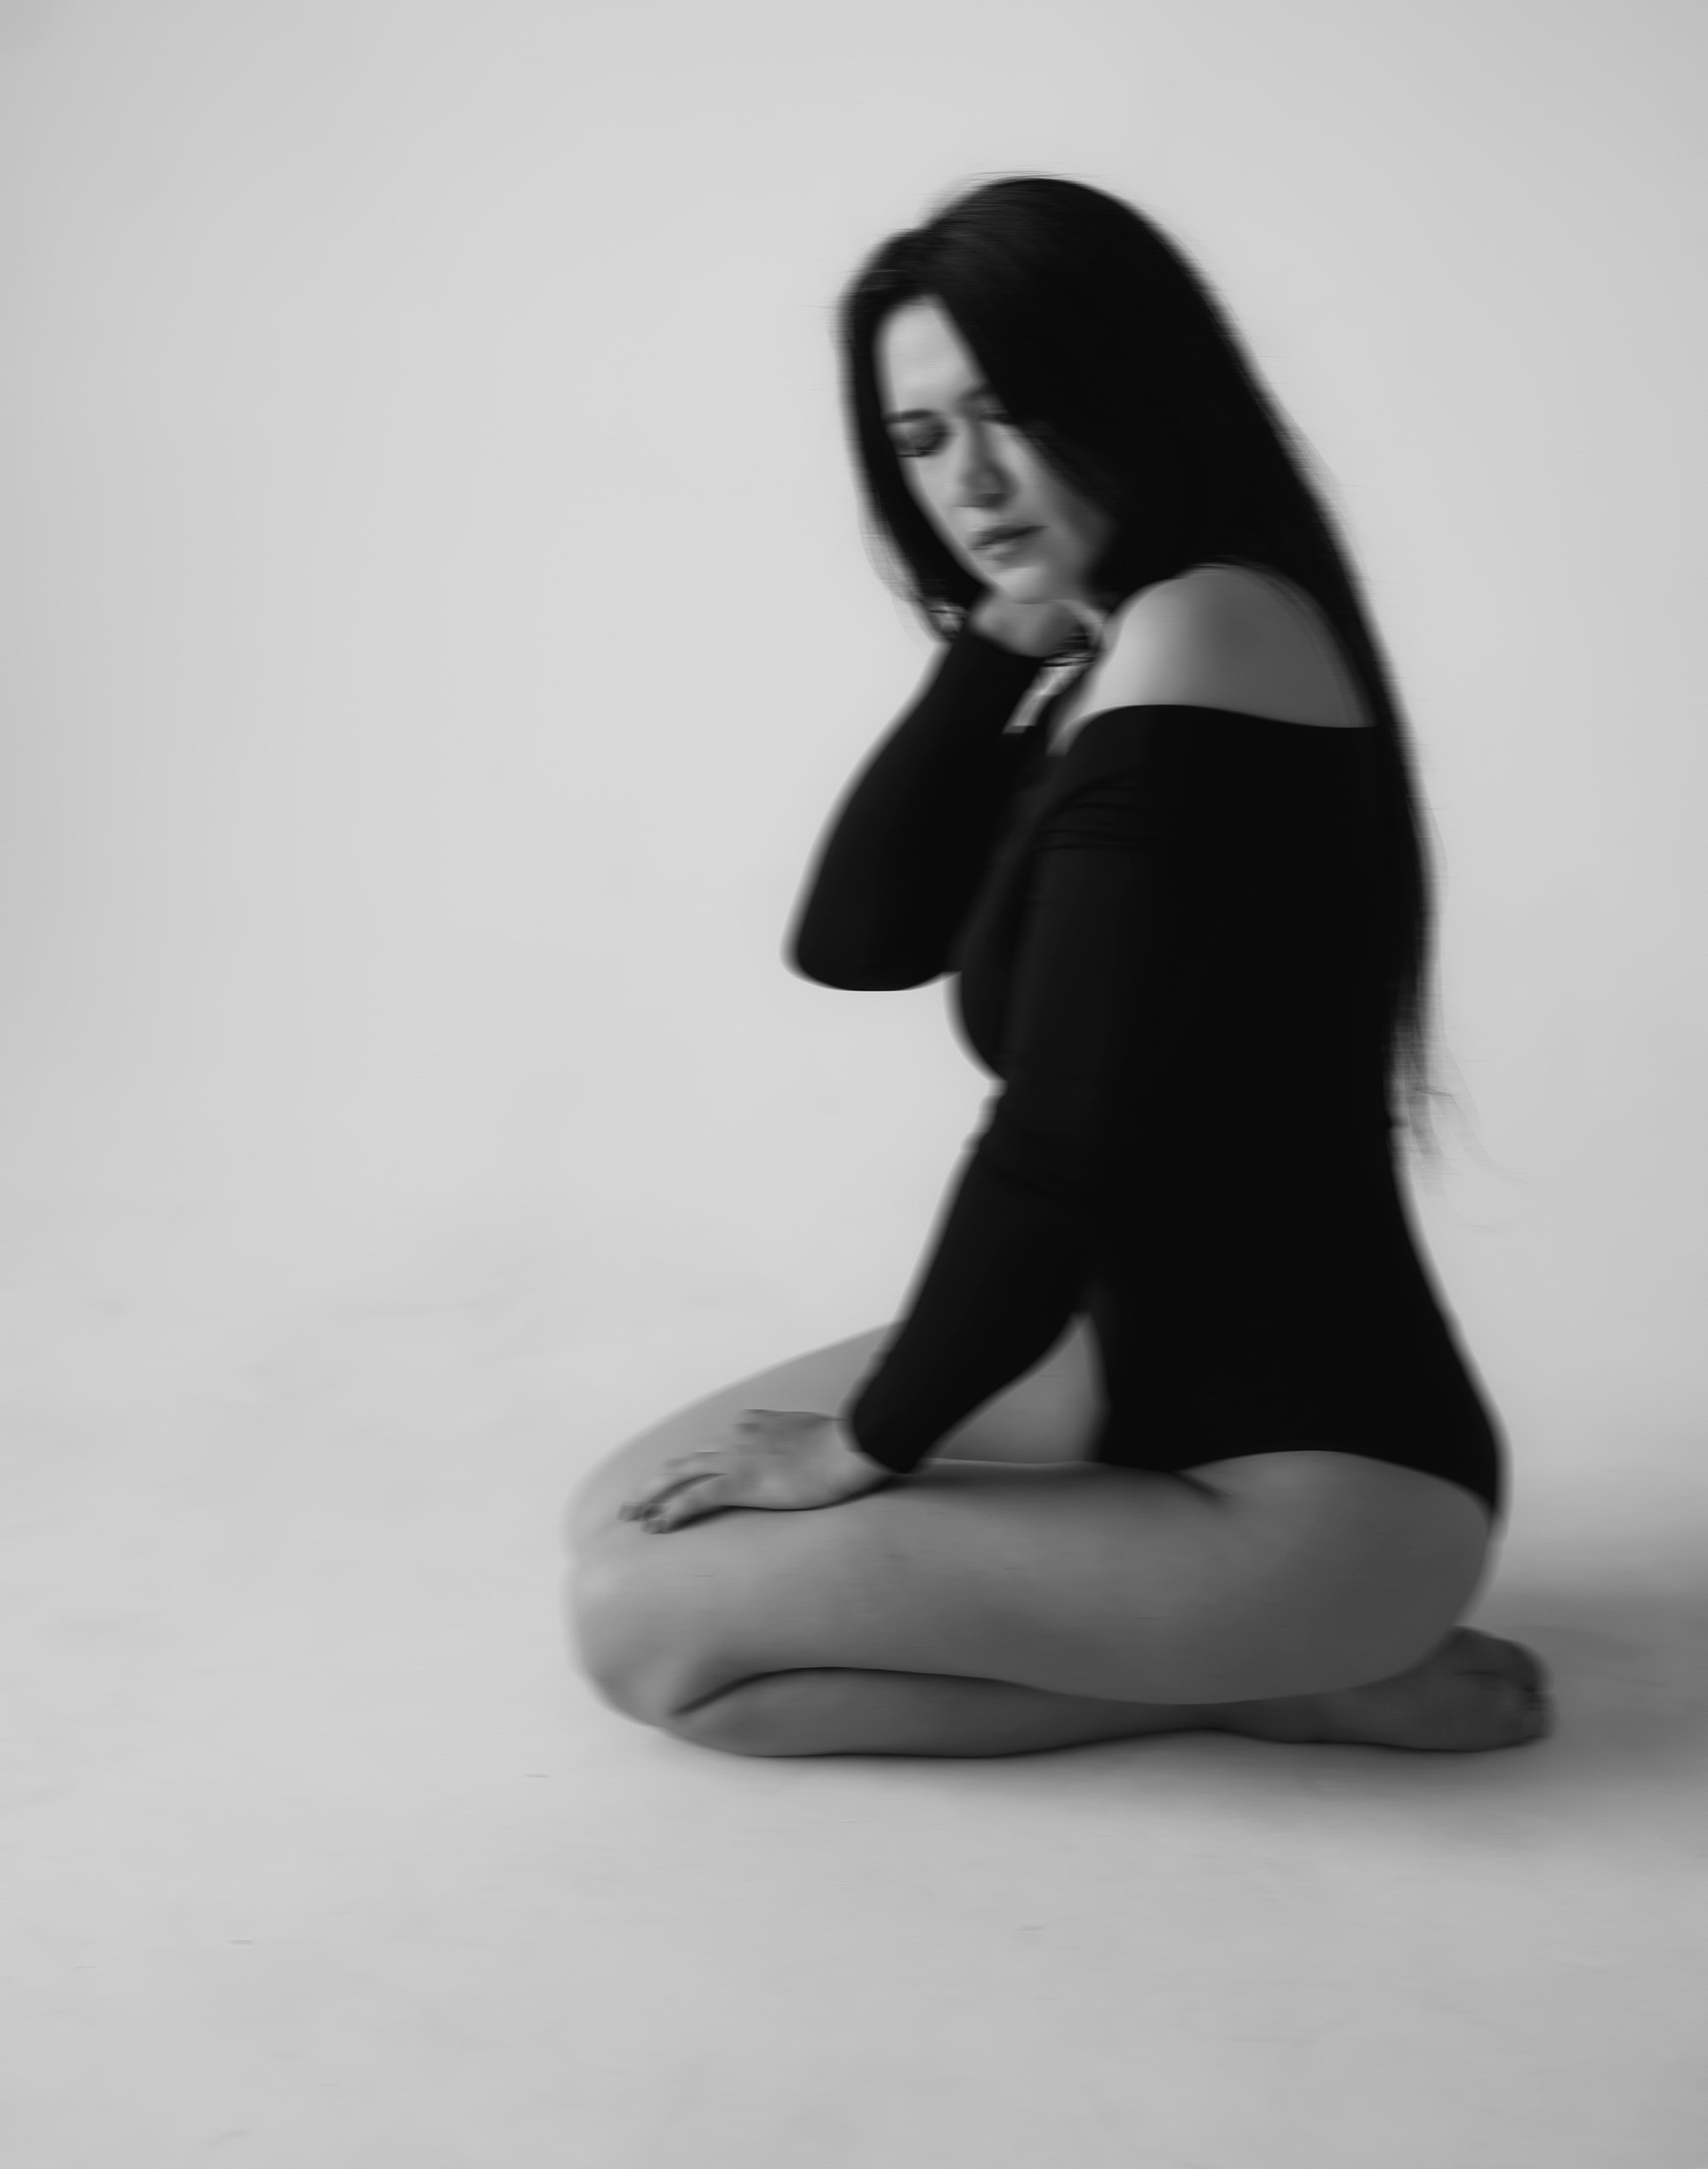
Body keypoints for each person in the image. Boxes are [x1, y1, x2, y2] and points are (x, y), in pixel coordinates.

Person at [565, 176, 1553, 1760]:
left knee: (639, 1632)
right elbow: (860, 942)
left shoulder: (1214, 634)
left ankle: (1270, 1673)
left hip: (1316, 1498)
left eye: (1011, 411)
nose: (970, 479)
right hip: (1115, 1381)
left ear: (1133, 386)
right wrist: (997, 641)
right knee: (616, 1520)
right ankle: (1210, 1664)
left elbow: (1060, 1139)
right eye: (921, 438)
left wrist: (865, 1450)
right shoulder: (1119, 656)